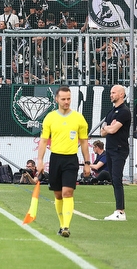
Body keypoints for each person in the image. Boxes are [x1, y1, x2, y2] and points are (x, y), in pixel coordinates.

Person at [35, 86, 91, 238]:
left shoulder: (79, 118)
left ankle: (66, 226)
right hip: (55, 159)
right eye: (63, 99)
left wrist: (87, 162)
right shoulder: (50, 118)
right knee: (58, 195)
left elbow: (84, 142)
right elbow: (43, 140)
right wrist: (39, 160)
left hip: (71, 160)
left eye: (68, 99)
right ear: (57, 99)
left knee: (68, 192)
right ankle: (61, 224)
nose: (66, 102)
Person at [101, 84, 131, 220]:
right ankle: (118, 210)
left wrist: (108, 127)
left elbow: (112, 130)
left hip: (119, 149)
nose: (111, 95)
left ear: (121, 94)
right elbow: (102, 132)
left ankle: (120, 211)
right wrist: (109, 127)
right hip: (110, 148)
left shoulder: (124, 111)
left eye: (114, 93)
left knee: (117, 179)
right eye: (111, 93)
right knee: (113, 179)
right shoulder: (111, 112)